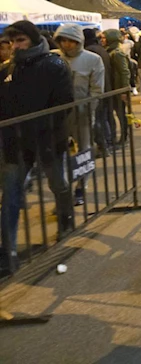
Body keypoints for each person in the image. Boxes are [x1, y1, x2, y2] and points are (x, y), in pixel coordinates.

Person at [1, 22, 74, 275]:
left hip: (48, 140)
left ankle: (66, 216)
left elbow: (64, 104)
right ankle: (8, 251)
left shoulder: (54, 65)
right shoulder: (8, 70)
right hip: (17, 144)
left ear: (31, 40)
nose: (15, 47)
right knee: (10, 195)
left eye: (20, 41)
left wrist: (42, 128)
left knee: (58, 184)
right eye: (12, 42)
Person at [53, 24, 105, 206]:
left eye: (71, 41)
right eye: (63, 40)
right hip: (57, 116)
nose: (67, 45)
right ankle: (63, 192)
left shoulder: (93, 60)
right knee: (58, 154)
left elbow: (97, 89)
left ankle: (81, 186)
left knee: (84, 151)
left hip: (81, 113)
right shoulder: (54, 57)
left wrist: (88, 110)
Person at [83, 28, 114, 154]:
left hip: (97, 90)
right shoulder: (102, 49)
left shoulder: (90, 52)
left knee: (98, 120)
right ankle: (108, 142)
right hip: (106, 87)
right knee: (104, 118)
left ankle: (104, 145)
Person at [102, 30, 131, 146]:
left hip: (118, 88)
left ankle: (124, 137)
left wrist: (124, 89)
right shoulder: (110, 51)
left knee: (120, 113)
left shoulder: (117, 53)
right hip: (114, 88)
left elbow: (124, 71)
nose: (102, 40)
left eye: (104, 38)